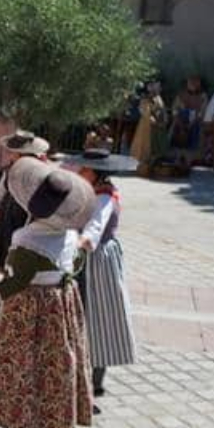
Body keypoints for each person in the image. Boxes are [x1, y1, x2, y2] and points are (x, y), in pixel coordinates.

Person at [0, 160, 95, 428]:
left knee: (30, 375)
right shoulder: (69, 236)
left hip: (29, 315)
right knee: (54, 369)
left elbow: (14, 284)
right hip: (62, 311)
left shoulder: (26, 240)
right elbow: (77, 264)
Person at [66, 149, 140, 398]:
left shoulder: (105, 196)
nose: (79, 172)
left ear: (96, 174)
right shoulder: (88, 191)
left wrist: (80, 242)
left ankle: (95, 379)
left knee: (98, 316)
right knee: (81, 314)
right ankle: (79, 374)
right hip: (83, 256)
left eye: (84, 169)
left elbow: (95, 227)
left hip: (98, 261)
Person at [0, 132, 50, 274]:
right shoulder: (11, 168)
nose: (9, 154)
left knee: (21, 248)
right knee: (6, 244)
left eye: (12, 151)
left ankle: (18, 282)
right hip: (9, 211)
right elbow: (0, 189)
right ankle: (6, 280)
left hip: (25, 213)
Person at [129, 80, 162, 167]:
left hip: (156, 125)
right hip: (145, 124)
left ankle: (150, 162)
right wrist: (150, 117)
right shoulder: (145, 99)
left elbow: (161, 109)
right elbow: (144, 110)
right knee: (143, 142)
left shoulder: (158, 98)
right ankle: (140, 161)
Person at [172, 76, 207, 154]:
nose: (193, 84)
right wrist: (180, 123)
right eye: (190, 82)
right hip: (181, 121)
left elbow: (202, 112)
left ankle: (192, 152)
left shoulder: (203, 95)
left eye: (196, 82)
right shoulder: (181, 94)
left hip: (196, 121)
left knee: (196, 134)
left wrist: (191, 123)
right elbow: (174, 109)